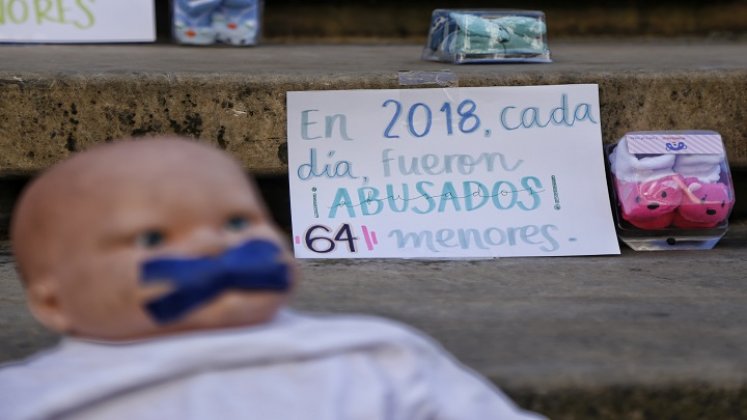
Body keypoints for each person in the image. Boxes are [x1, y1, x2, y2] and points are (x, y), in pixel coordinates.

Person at [0, 137, 543, 420]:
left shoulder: (376, 355)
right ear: (53, 304)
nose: (217, 245)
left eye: (238, 222)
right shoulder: (28, 399)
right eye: (151, 240)